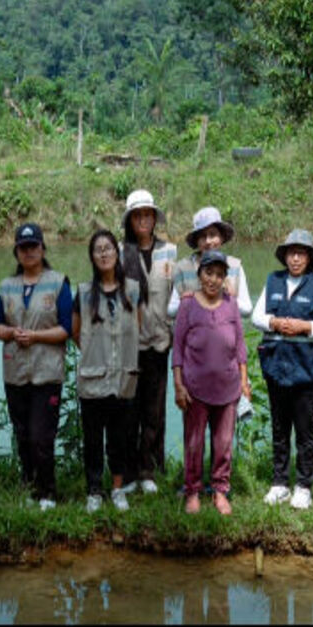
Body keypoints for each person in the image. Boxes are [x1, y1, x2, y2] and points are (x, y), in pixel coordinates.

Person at [251, 229, 313, 510]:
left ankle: (303, 486)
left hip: (307, 370)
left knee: (304, 429)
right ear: (285, 256)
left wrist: (305, 327)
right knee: (279, 427)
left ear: (310, 257)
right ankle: (279, 483)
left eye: (301, 253)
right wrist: (274, 323)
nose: (296, 258)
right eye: (291, 252)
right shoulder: (273, 281)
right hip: (276, 367)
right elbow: (256, 316)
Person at [0, 223, 73, 511]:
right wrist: (12, 333)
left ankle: (48, 491)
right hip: (16, 372)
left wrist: (35, 336)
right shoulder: (7, 286)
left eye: (33, 246)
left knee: (42, 435)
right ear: (16, 251)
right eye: (23, 248)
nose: (28, 252)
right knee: (23, 432)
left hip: (47, 372)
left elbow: (66, 328)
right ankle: (28, 484)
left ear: (42, 248)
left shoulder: (59, 282)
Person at [172, 250, 250, 515]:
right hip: (194, 389)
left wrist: (244, 381)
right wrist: (178, 385)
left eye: (219, 274)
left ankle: (219, 490)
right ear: (199, 275)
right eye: (208, 273)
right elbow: (178, 349)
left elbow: (240, 345)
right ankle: (192, 490)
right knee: (194, 443)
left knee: (224, 442)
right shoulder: (187, 305)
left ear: (225, 278)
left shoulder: (231, 305)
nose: (213, 280)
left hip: (228, 388)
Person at [71, 229, 142, 513]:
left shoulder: (133, 290)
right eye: (98, 249)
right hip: (93, 378)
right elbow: (75, 332)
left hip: (123, 377)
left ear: (117, 253)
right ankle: (94, 491)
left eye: (108, 248)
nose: (104, 254)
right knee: (92, 438)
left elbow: (137, 326)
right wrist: (94, 353)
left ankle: (117, 488)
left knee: (119, 437)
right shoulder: (84, 292)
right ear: (92, 256)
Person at [120, 189, 178, 495]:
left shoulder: (171, 251)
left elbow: (179, 296)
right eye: (137, 215)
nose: (143, 219)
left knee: (154, 410)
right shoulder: (118, 252)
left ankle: (150, 470)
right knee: (128, 410)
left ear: (154, 218)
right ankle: (129, 472)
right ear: (130, 220)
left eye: (148, 214)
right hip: (128, 347)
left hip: (159, 342)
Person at [168, 206, 252, 317]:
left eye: (212, 235)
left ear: (221, 238)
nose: (208, 241)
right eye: (203, 236)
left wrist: (227, 298)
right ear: (197, 241)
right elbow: (171, 311)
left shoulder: (235, 267)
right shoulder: (182, 268)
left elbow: (247, 310)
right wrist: (188, 301)